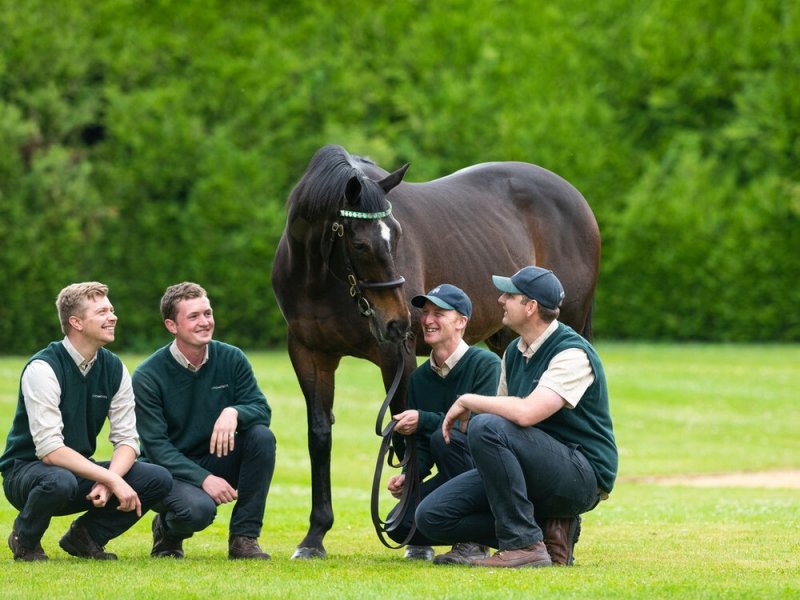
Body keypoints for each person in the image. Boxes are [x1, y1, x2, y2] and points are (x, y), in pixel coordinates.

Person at [415, 266, 617, 568]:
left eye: (509, 295)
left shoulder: (572, 353)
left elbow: (526, 413)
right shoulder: (513, 351)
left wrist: (470, 400)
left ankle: (523, 545)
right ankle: (546, 533)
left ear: (531, 306)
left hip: (581, 475)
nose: (500, 300)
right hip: (530, 466)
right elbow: (504, 417)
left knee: (486, 425)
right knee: (430, 517)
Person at [1, 282, 173, 561]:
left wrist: (109, 479)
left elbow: (127, 440)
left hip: (77, 472)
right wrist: (109, 479)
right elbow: (49, 450)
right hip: (26, 472)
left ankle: (85, 537)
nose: (113, 317)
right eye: (102, 312)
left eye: (111, 310)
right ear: (76, 322)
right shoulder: (43, 368)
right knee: (59, 480)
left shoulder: (114, 368)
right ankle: (25, 540)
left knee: (157, 478)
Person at [132, 282, 276, 560]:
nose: (205, 322)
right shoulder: (148, 376)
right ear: (172, 326)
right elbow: (157, 448)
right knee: (198, 511)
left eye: (207, 313)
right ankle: (167, 531)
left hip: (215, 456)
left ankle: (244, 538)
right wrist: (204, 479)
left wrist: (234, 412)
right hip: (167, 471)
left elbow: (261, 410)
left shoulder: (232, 358)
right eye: (193, 316)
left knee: (261, 437)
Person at [386, 284, 500, 563]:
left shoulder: (486, 364)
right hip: (450, 474)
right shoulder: (419, 378)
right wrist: (411, 476)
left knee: (444, 439)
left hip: (486, 475)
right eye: (425, 312)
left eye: (439, 313)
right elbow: (423, 445)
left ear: (461, 322)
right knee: (398, 524)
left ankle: (475, 542)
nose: (427, 319)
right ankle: (494, 532)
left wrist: (424, 420)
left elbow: (480, 426)